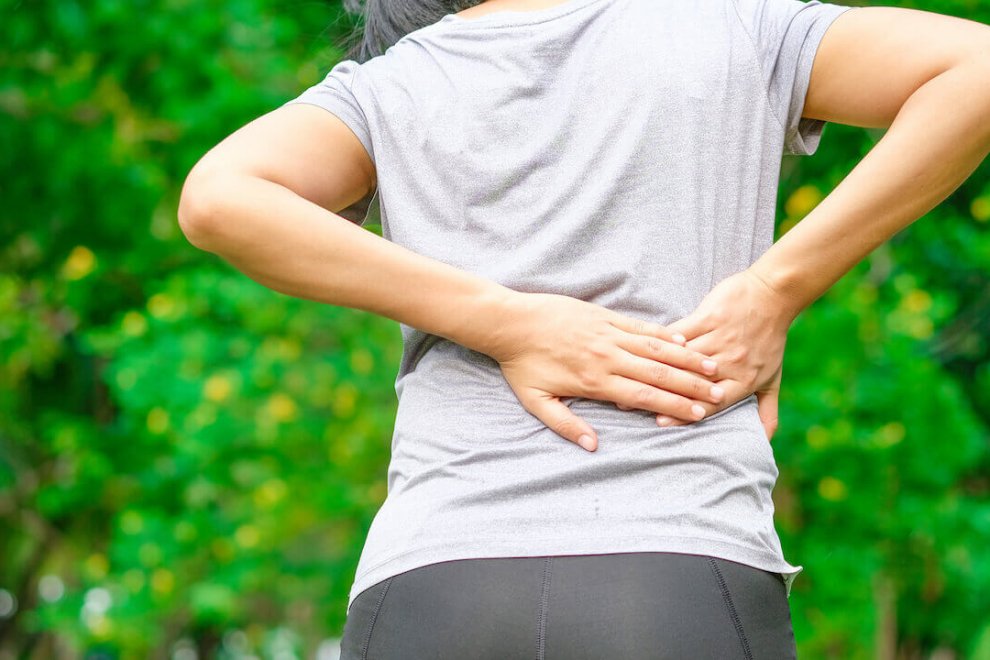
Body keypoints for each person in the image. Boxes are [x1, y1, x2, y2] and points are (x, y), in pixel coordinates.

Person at [176, 0, 990, 655]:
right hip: (679, 568)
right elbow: (975, 66)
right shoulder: (737, 26)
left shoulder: (390, 86)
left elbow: (220, 198)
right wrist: (777, 287)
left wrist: (503, 322)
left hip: (433, 579)